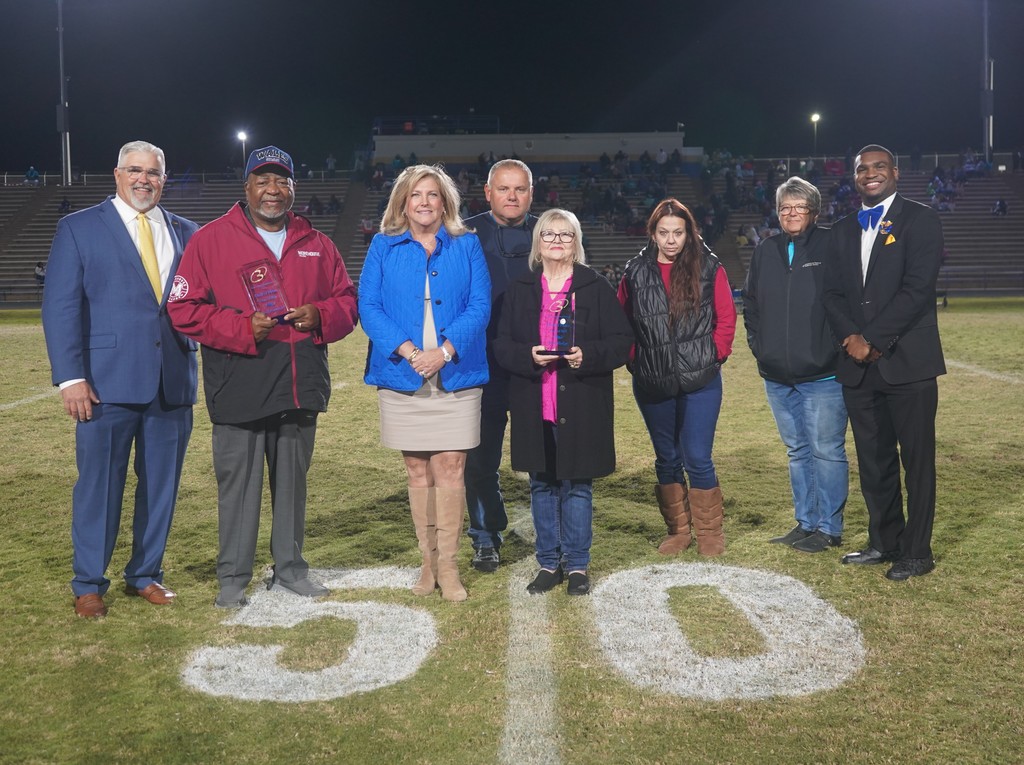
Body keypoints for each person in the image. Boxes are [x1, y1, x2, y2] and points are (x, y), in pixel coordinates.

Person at [167, 145, 358, 607]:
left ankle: (291, 568)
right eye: (263, 180)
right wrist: (239, 328)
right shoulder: (210, 240)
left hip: (298, 382)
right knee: (238, 486)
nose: (273, 190)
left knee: (292, 488)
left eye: (282, 181)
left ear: (293, 187)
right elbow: (182, 308)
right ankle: (233, 576)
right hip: (240, 382)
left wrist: (321, 314)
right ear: (247, 186)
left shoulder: (317, 242)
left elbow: (348, 302)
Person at [41, 140, 199, 618]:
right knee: (99, 485)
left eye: (152, 172)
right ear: (117, 174)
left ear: (163, 179)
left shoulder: (188, 232)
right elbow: (61, 306)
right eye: (134, 170)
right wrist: (70, 377)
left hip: (171, 380)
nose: (143, 179)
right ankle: (88, 581)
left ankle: (146, 573)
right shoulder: (78, 228)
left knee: (161, 486)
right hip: (104, 384)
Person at [359, 165, 491, 602]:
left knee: (451, 466)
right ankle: (427, 563)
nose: (424, 202)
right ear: (402, 201)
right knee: (417, 469)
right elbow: (370, 306)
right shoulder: (382, 246)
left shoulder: (467, 245)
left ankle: (450, 566)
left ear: (445, 202)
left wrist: (444, 352)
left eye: (433, 194)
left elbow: (479, 306)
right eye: (416, 195)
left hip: (456, 371)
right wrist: (412, 352)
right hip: (402, 373)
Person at [822, 144, 946, 581]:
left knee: (917, 461)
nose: (869, 174)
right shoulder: (841, 229)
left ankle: (917, 552)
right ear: (854, 177)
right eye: (861, 169)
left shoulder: (921, 219)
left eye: (878, 167)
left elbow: (917, 289)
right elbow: (832, 295)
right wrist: (850, 339)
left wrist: (872, 339)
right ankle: (884, 541)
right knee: (874, 461)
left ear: (894, 172)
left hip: (907, 362)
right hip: (858, 367)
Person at [493, 209, 632, 596]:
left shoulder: (595, 287)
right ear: (538, 242)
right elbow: (502, 345)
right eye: (549, 234)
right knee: (541, 483)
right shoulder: (520, 288)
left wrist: (587, 355)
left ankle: (578, 566)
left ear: (577, 242)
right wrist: (528, 356)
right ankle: (548, 563)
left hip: (582, 400)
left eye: (565, 235)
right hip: (534, 401)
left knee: (577, 485)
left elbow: (621, 342)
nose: (556, 241)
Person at [618, 198, 736, 557]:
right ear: (652, 234)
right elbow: (622, 324)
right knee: (667, 458)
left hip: (701, 379)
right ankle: (679, 531)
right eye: (664, 232)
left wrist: (714, 356)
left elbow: (726, 318)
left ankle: (709, 533)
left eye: (678, 233)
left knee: (698, 456)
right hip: (653, 380)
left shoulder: (709, 267)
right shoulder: (635, 272)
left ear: (689, 233)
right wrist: (636, 359)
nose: (671, 240)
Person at [742, 177, 849, 553]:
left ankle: (830, 529)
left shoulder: (832, 244)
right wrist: (760, 347)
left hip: (823, 373)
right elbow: (751, 305)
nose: (791, 213)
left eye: (799, 207)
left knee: (826, 450)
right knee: (797, 451)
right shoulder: (766, 249)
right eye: (785, 207)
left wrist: (834, 348)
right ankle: (805, 523)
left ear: (814, 212)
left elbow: (848, 301)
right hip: (776, 374)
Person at [462, 159, 538, 573]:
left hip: (535, 365)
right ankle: (485, 536)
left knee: (545, 456)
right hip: (481, 365)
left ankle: (553, 533)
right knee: (479, 460)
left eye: (520, 189)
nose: (512, 197)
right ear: (487, 192)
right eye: (504, 189)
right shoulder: (463, 232)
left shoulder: (551, 232)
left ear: (531, 192)